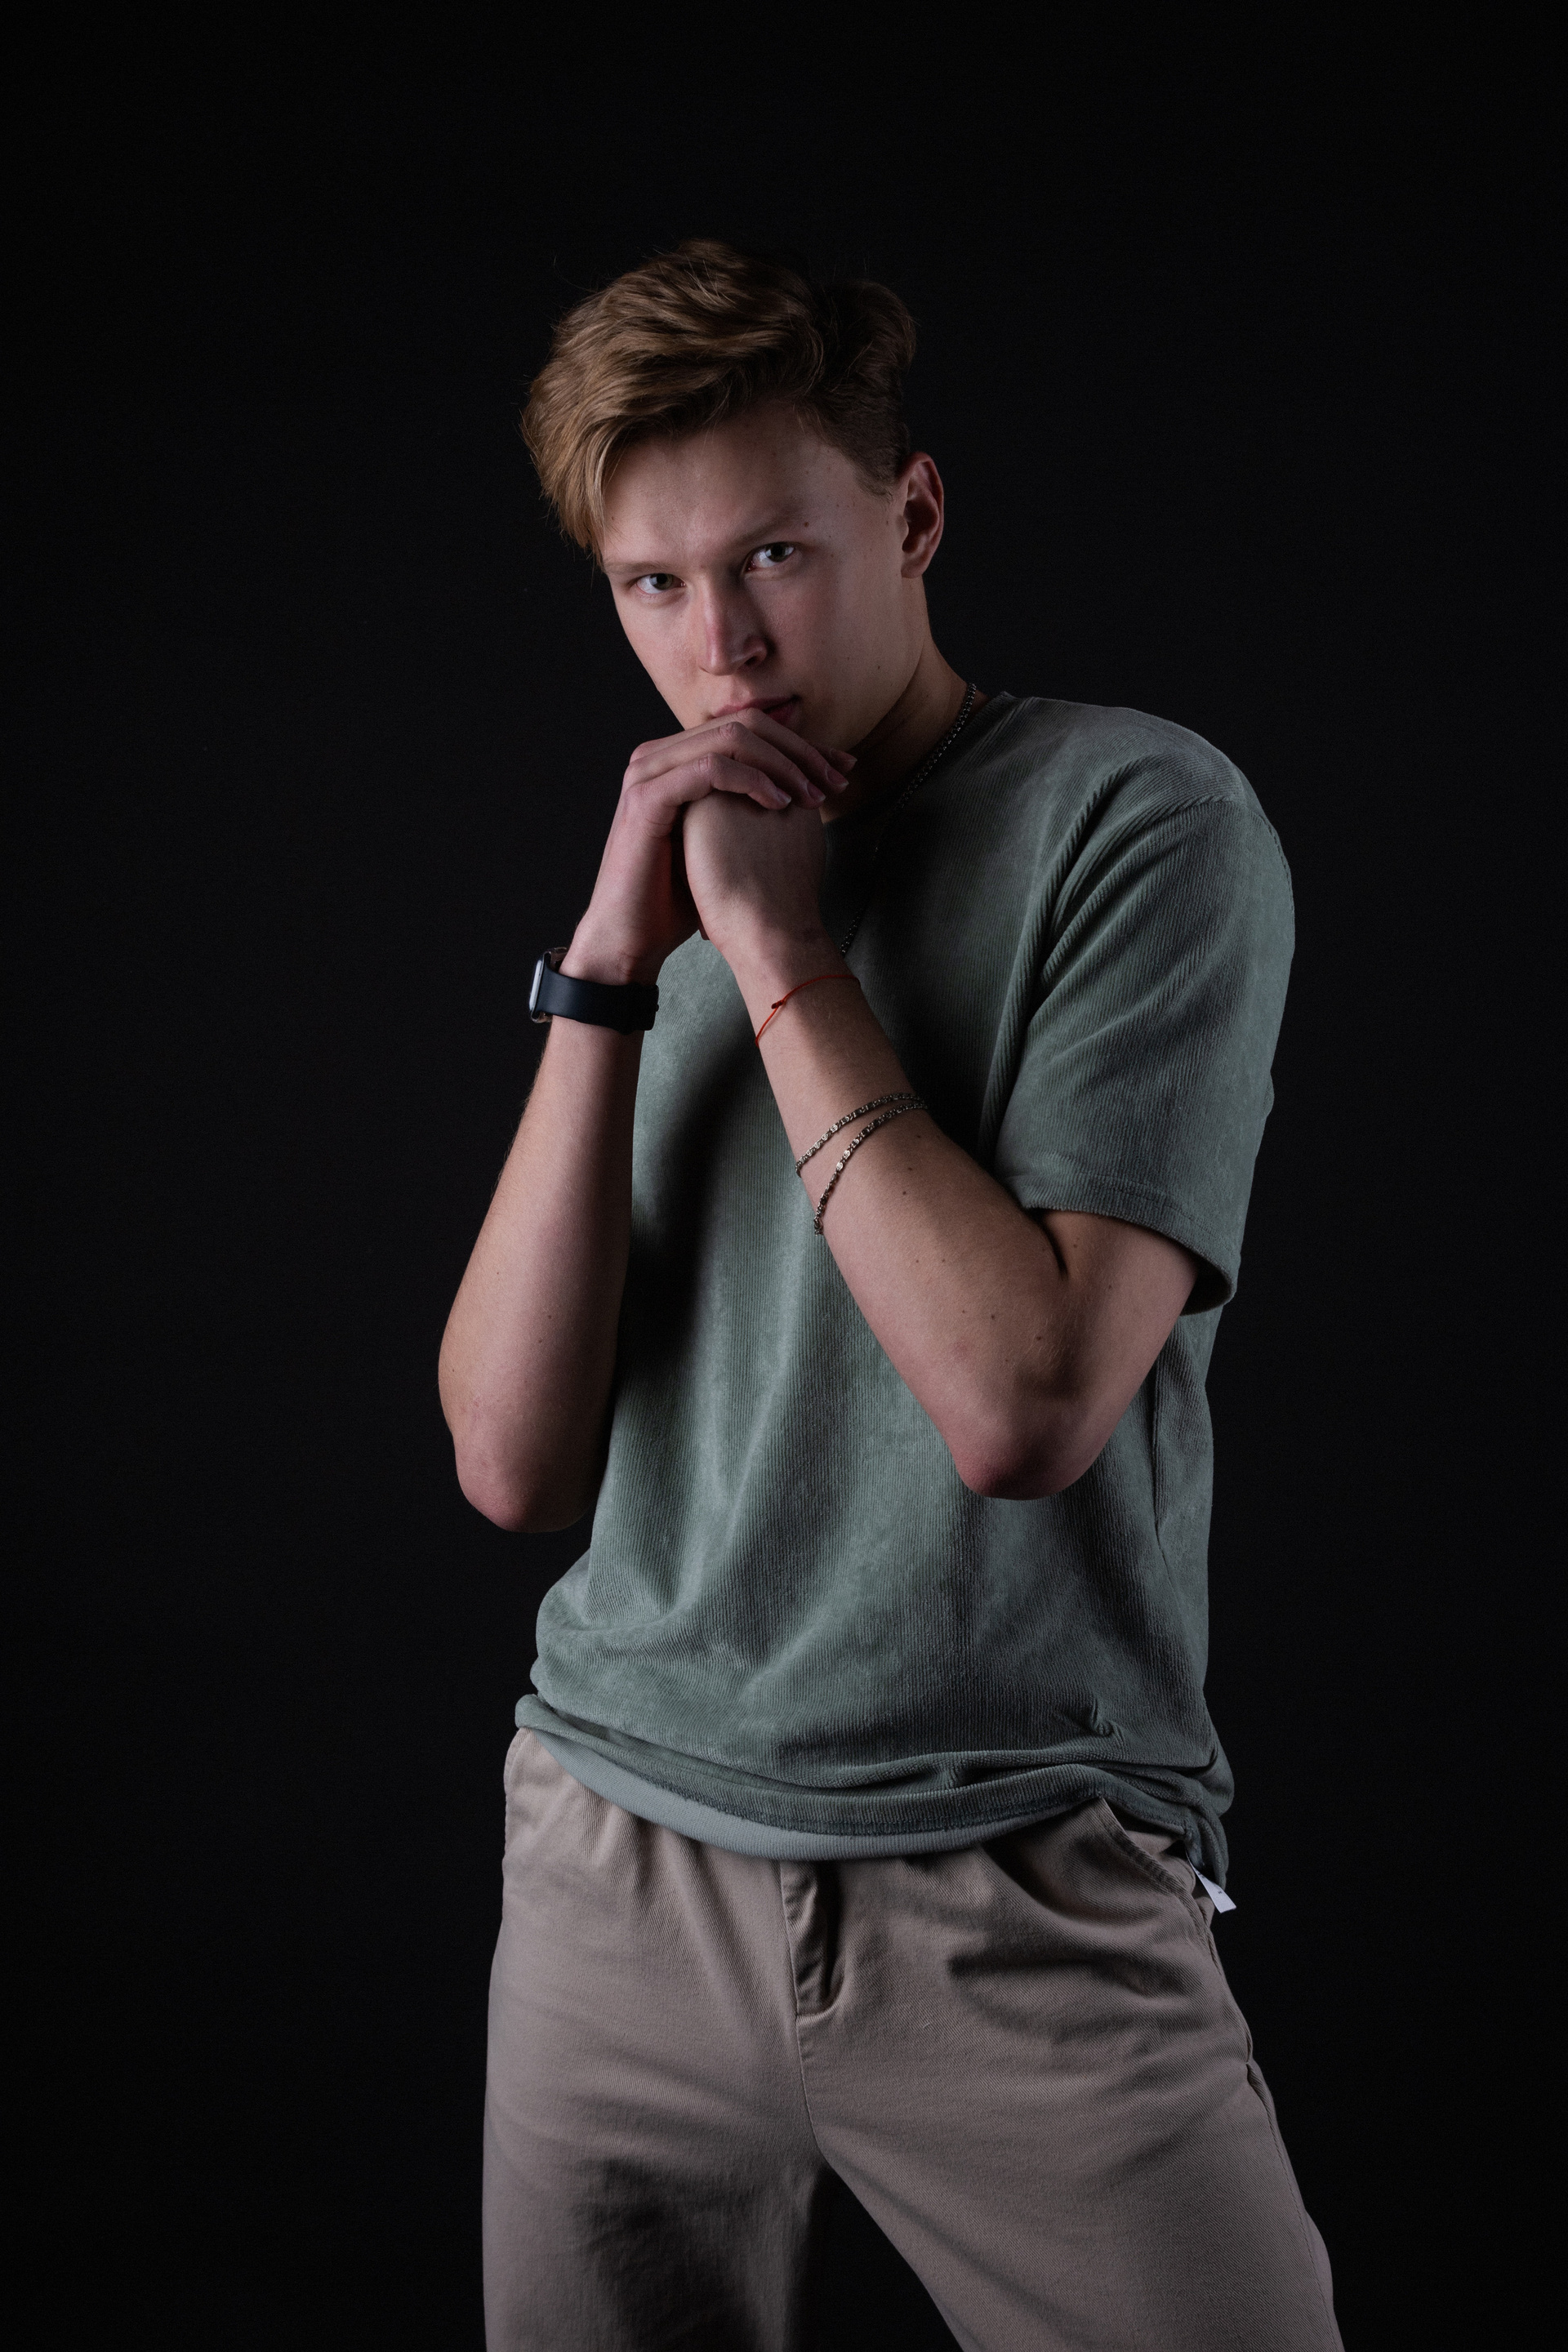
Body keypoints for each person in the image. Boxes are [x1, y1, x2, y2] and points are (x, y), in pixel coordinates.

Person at [439, 239, 1342, 2352]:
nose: (721, 647)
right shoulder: (670, 878)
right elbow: (509, 1461)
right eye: (653, 585)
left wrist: (778, 956)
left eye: (773, 554)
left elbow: (1023, 1406)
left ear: (913, 515)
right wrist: (611, 968)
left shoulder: (1138, 820)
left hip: (1006, 1877)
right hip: (613, 1868)